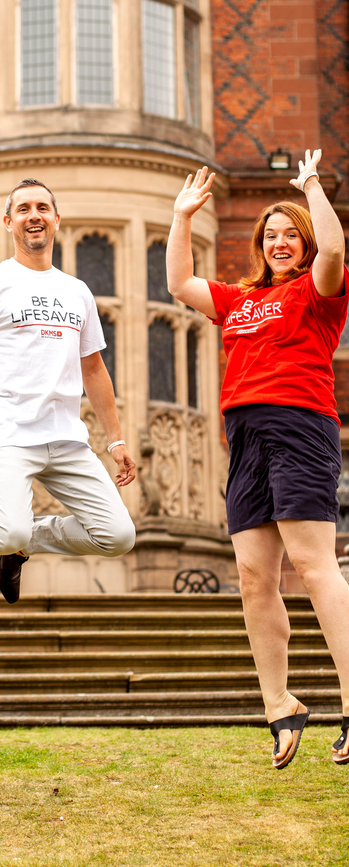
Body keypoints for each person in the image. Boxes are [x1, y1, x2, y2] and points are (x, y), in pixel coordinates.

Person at [166, 150, 349, 768]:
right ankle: (280, 705)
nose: (279, 244)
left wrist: (312, 189)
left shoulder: (317, 290)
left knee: (312, 562)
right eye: (270, 236)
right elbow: (178, 284)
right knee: (252, 575)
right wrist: (181, 217)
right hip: (242, 436)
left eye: (288, 235)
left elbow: (332, 251)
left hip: (300, 425)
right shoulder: (239, 300)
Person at [0, 178, 136, 603]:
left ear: (56, 219)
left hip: (67, 437)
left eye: (42, 208)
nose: (33, 215)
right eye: (23, 209)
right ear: (8, 222)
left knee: (118, 535)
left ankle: (21, 545)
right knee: (7, 529)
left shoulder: (78, 292)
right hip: (9, 435)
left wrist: (117, 439)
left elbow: (93, 369)